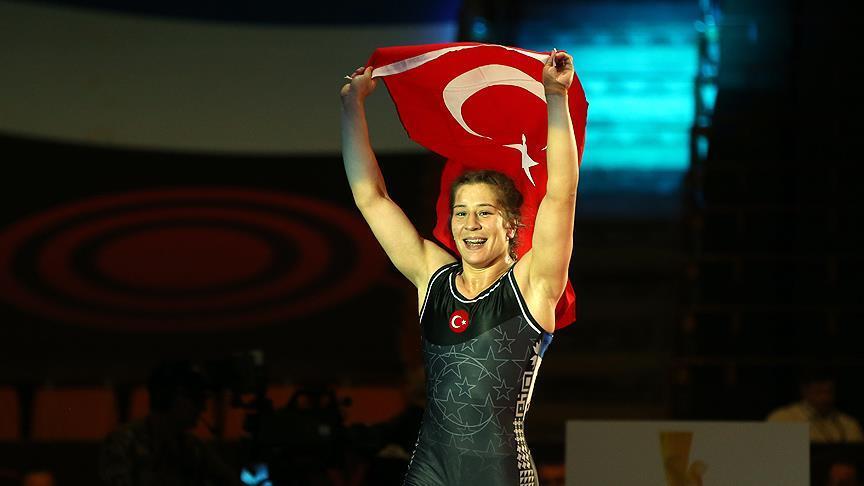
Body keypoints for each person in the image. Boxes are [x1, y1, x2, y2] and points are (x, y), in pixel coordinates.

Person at [340, 50, 579, 486]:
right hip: (430, 467)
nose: (471, 224)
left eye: (485, 213)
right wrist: (352, 105)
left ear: (511, 225)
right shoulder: (432, 276)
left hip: (498, 471)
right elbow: (370, 197)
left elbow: (561, 194)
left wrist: (555, 96)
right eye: (461, 213)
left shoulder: (533, 283)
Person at [98, 361, 242, 486]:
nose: (203, 408)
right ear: (172, 398)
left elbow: (229, 480)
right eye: (196, 399)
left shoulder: (192, 447)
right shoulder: (123, 442)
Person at [767, 369, 863, 443]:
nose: (825, 398)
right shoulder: (783, 419)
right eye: (819, 392)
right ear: (804, 391)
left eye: (829, 392)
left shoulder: (848, 425)